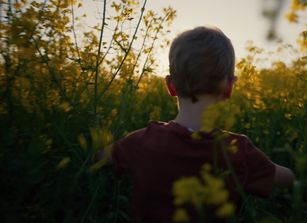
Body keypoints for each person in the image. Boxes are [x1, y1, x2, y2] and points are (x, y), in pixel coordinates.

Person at [102, 26, 295, 223]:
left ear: (171, 86)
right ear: (229, 88)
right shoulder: (238, 151)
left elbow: (99, 157)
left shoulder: (142, 142)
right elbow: (288, 179)